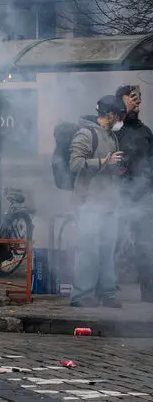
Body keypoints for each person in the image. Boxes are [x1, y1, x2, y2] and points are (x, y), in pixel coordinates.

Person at [69, 95, 128, 308]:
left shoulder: (111, 136)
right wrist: (105, 161)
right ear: (110, 114)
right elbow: (75, 165)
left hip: (108, 203)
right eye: (119, 114)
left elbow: (107, 167)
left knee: (107, 250)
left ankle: (107, 293)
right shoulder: (85, 135)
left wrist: (117, 169)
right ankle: (81, 295)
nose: (121, 119)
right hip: (89, 204)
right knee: (89, 250)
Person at [115, 85, 153, 302]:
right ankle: (106, 291)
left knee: (145, 244)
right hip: (118, 195)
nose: (136, 102)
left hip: (143, 196)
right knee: (112, 241)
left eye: (138, 98)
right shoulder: (113, 130)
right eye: (131, 98)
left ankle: (149, 293)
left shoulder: (145, 131)